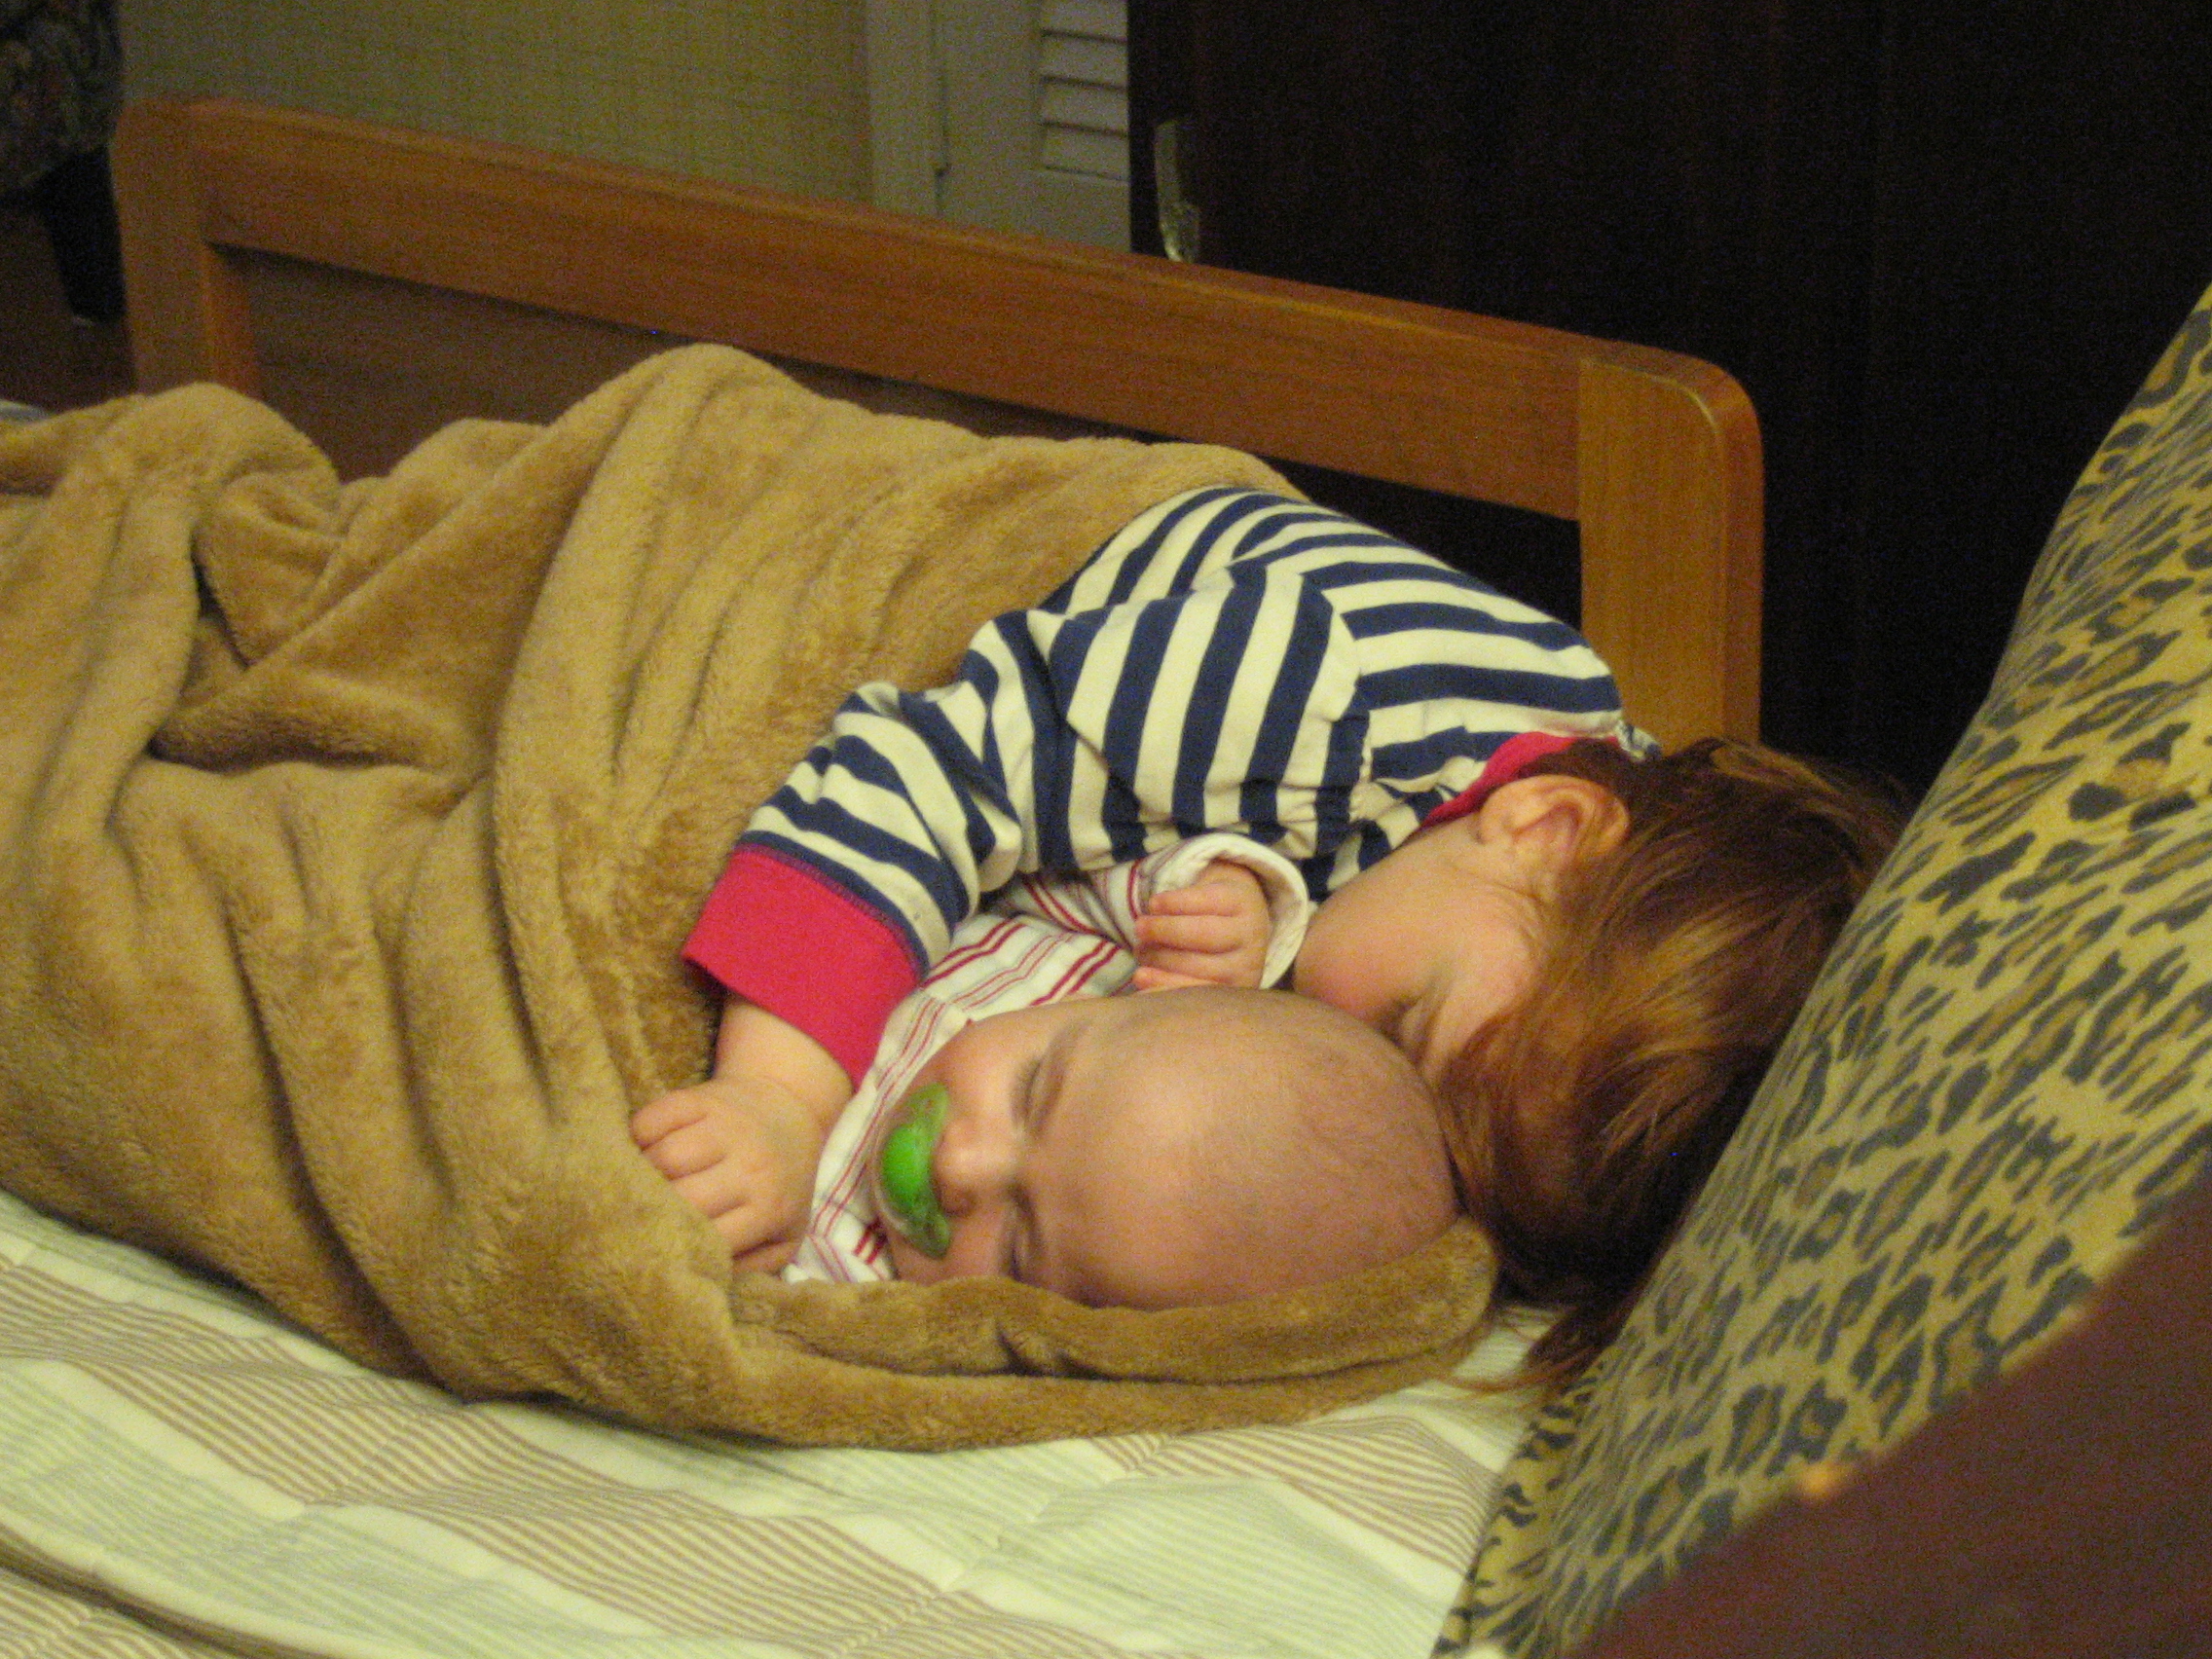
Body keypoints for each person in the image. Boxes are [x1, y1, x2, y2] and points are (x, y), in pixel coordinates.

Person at [636, 485, 1902, 1374]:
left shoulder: (1549, 936)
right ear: (1546, 828)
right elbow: (918, 773)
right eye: (1404, 1030)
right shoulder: (1295, 696)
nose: (1370, 1100)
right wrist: (777, 1105)